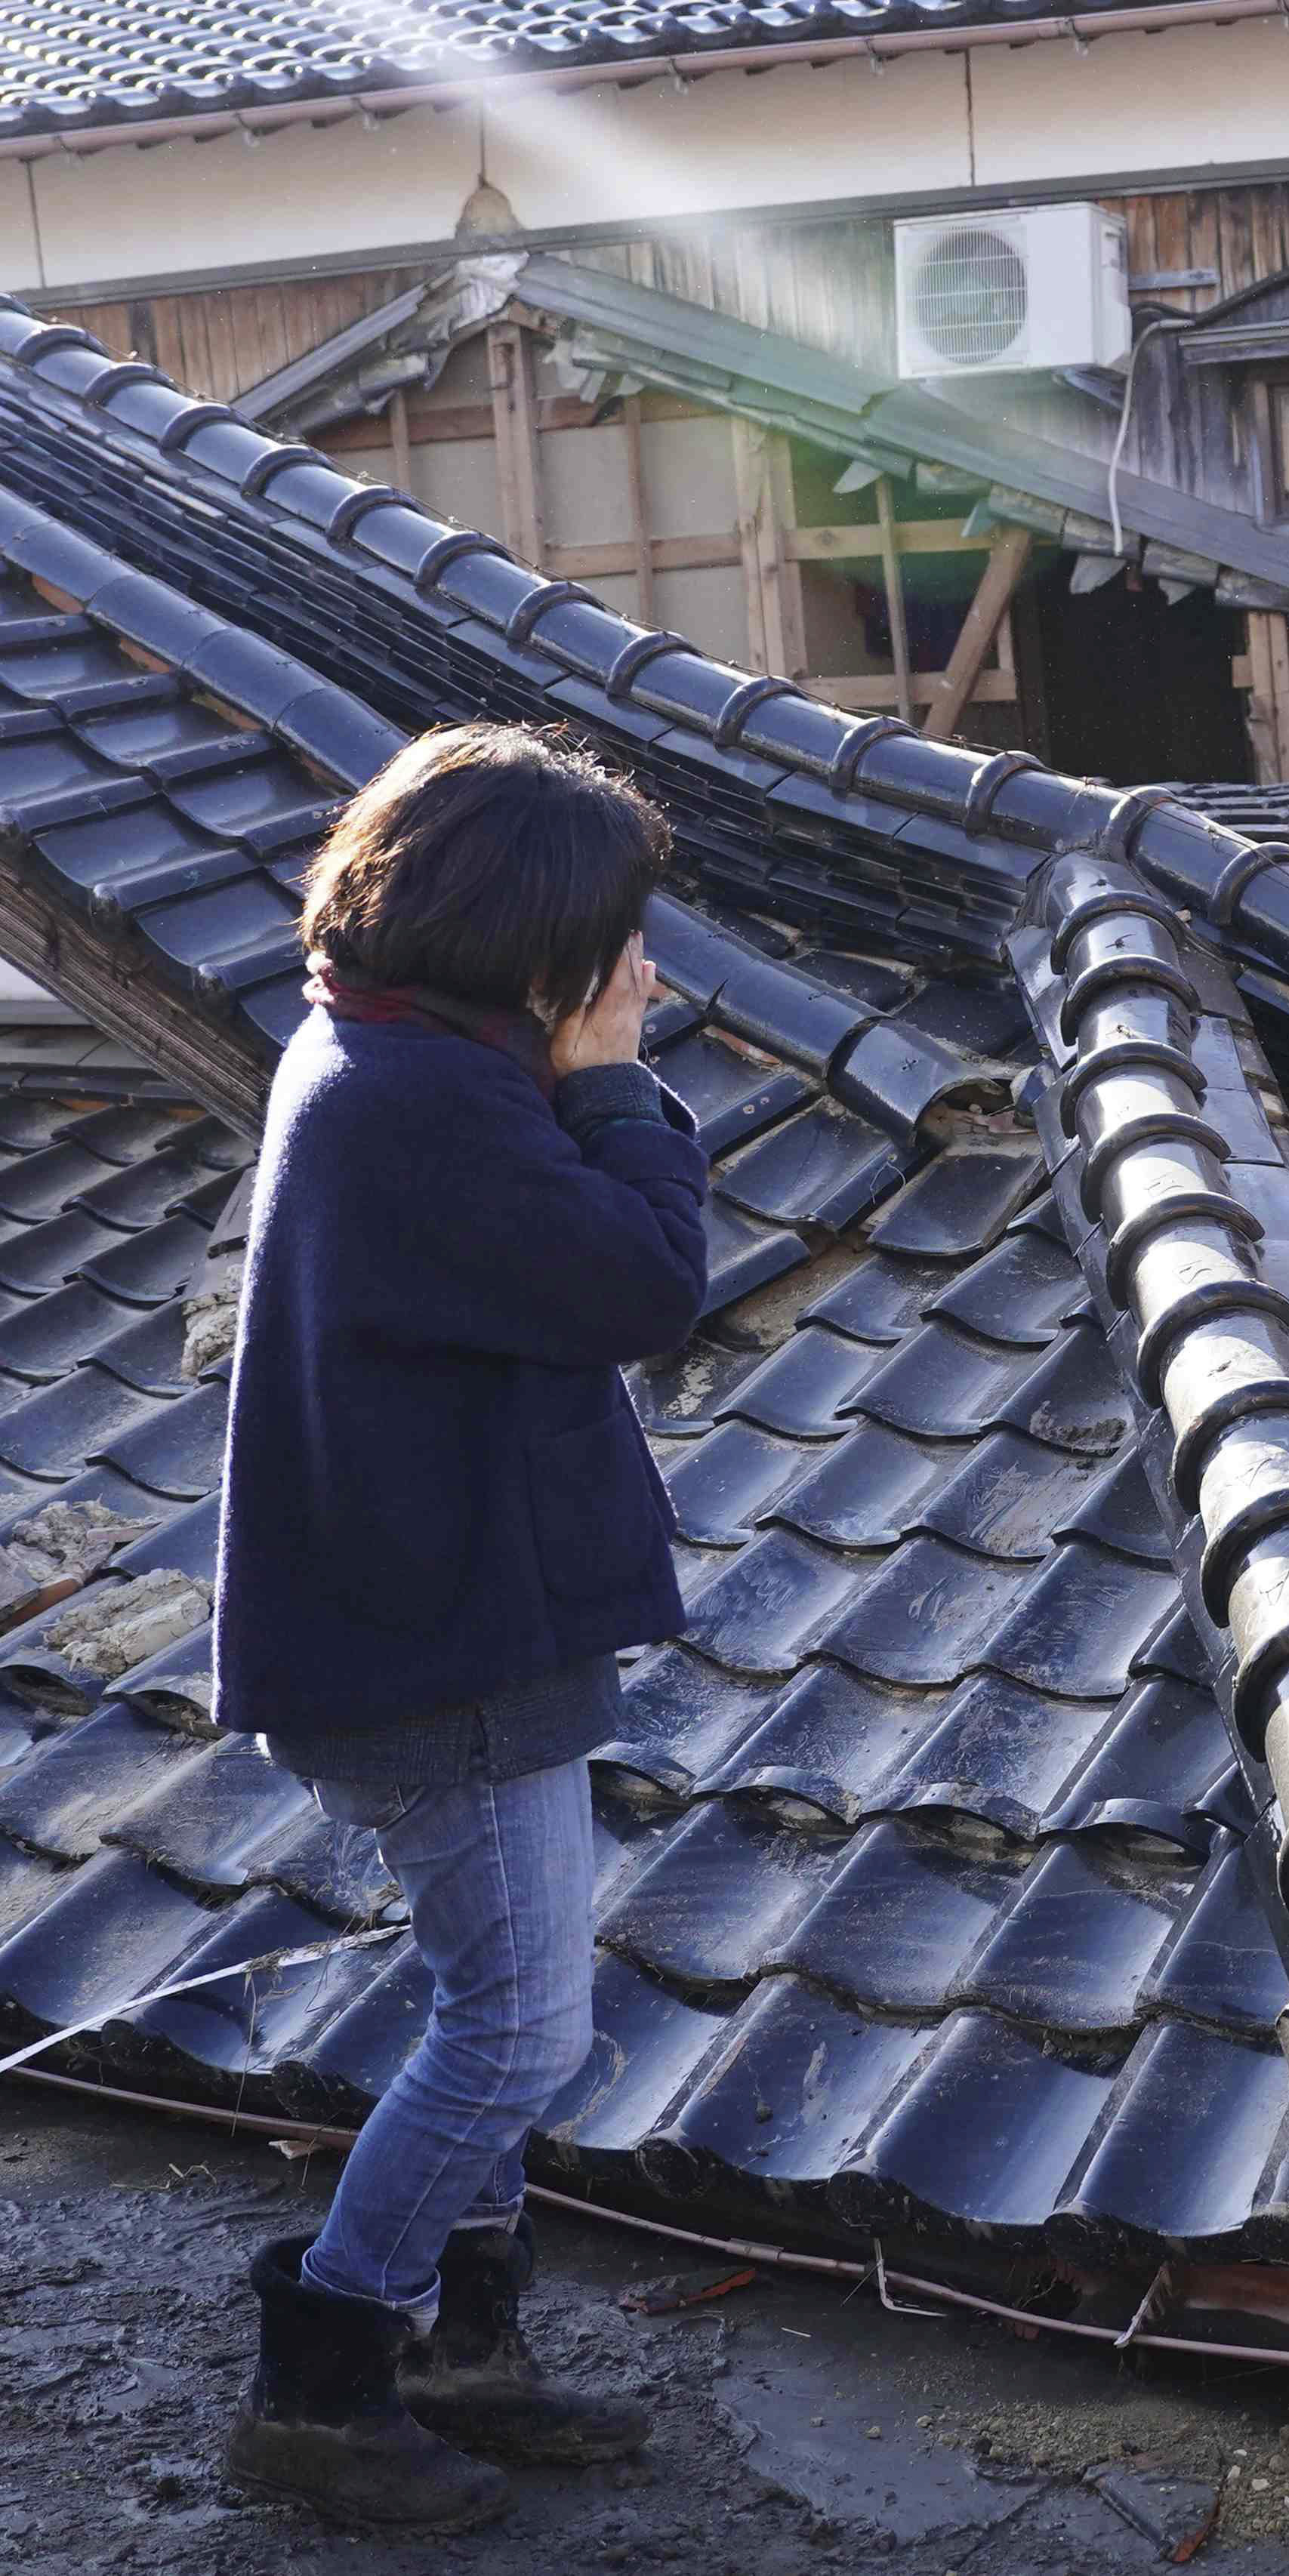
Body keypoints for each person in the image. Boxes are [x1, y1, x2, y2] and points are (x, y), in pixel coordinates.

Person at [217, 726, 708, 2532]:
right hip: (447, 1645)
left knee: (492, 2000)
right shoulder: (432, 1101)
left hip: (439, 1606)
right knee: (515, 2029)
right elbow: (648, 1284)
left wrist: (572, 1073)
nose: (643, 970)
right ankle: (330, 2372)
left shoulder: (385, 1040)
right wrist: (615, 1084)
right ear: (529, 946)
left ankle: (461, 2347)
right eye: (617, 940)